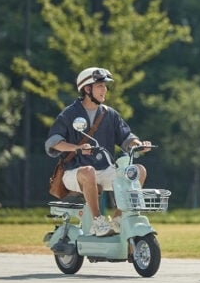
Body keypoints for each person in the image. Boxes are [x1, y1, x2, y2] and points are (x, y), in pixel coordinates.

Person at [45, 67, 151, 236]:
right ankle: (98, 222)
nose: (105, 90)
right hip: (74, 171)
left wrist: (139, 144)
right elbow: (54, 142)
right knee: (89, 172)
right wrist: (77, 148)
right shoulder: (69, 114)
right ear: (87, 89)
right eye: (100, 85)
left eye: (105, 86)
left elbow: (126, 137)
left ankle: (117, 220)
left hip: (104, 169)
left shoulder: (110, 114)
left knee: (138, 171)